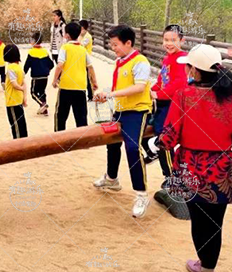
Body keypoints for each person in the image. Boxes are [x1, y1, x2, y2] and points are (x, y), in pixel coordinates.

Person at [155, 44, 232, 272]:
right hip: (223, 170)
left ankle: (204, 265)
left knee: (199, 222)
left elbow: (169, 137)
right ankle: (209, 266)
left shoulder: (184, 95)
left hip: (192, 169)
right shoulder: (229, 94)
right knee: (216, 223)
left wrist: (156, 143)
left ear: (195, 71)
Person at [93, 25, 153, 219]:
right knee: (112, 143)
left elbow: (139, 87)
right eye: (111, 45)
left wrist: (110, 94)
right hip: (119, 110)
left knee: (132, 148)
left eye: (115, 44)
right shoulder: (120, 61)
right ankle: (112, 178)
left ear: (128, 43)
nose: (113, 48)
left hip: (137, 111)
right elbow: (120, 87)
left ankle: (141, 194)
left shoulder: (140, 61)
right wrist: (106, 95)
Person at [142, 24, 188, 181]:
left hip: (172, 104)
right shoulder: (167, 59)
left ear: (182, 40)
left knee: (164, 138)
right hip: (161, 102)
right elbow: (162, 80)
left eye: (173, 40)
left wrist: (158, 94)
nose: (169, 43)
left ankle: (171, 177)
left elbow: (179, 84)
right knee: (144, 127)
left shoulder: (182, 59)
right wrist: (149, 91)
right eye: (166, 40)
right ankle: (152, 152)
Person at [52, 22, 97, 131]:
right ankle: (83, 137)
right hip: (80, 86)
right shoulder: (83, 49)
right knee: (81, 116)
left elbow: (60, 65)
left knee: (61, 115)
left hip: (66, 86)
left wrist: (54, 80)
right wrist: (94, 82)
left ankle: (59, 136)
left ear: (67, 35)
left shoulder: (65, 48)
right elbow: (90, 67)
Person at [24, 31, 54, 116]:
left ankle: (42, 104)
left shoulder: (31, 52)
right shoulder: (45, 51)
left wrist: (23, 74)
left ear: (34, 41)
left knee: (33, 93)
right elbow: (51, 64)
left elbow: (27, 66)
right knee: (42, 92)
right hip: (45, 76)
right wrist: (47, 70)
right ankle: (44, 110)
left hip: (36, 77)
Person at [4, 44, 27, 139]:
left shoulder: (10, 68)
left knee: (15, 124)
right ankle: (25, 140)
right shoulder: (19, 67)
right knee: (21, 123)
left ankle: (18, 142)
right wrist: (24, 97)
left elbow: (14, 84)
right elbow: (24, 83)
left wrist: (21, 89)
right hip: (19, 98)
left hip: (12, 100)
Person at [79, 20, 94, 101]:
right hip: (82, 59)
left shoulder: (87, 37)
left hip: (87, 60)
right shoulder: (82, 36)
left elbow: (80, 45)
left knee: (88, 78)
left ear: (82, 28)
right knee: (83, 78)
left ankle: (91, 95)